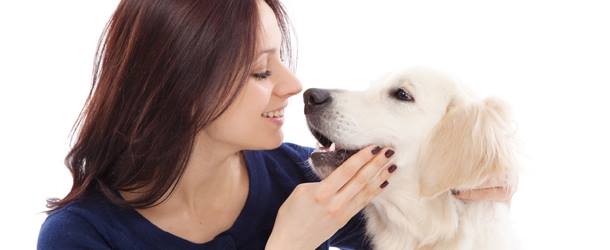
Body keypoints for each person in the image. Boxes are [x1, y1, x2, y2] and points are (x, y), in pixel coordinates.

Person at [37, 0, 514, 249]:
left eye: (280, 60)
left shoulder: (301, 175)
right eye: (261, 70)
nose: (292, 84)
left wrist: (476, 183)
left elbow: (424, 229)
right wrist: (289, 246)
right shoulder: (81, 236)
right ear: (180, 88)